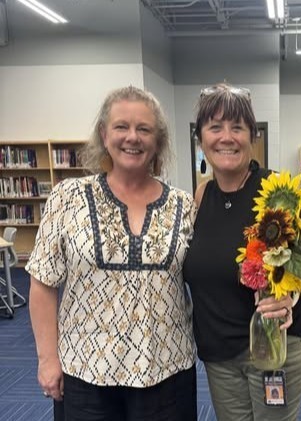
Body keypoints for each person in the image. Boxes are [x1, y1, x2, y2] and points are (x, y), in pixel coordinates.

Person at [26, 86, 197, 420]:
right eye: (121, 127)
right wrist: (47, 359)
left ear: (157, 140)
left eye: (143, 129)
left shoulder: (183, 205)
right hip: (86, 373)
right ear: (104, 135)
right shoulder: (67, 198)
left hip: (167, 370)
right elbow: (43, 283)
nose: (132, 137)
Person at [183, 83, 301, 420]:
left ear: (252, 136)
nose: (226, 137)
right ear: (201, 138)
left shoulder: (282, 192)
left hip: (272, 350)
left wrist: (290, 292)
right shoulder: (202, 197)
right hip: (219, 354)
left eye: (237, 127)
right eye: (215, 127)